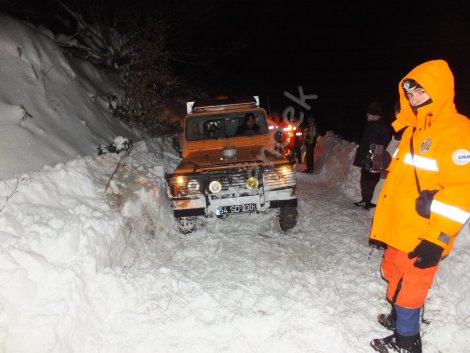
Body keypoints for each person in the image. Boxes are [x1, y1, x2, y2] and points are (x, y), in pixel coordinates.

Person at [369, 59, 470, 353]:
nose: (414, 99)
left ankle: (407, 340)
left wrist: (438, 238)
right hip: (402, 225)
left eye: (420, 93)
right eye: (410, 94)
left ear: (438, 90)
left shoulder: (455, 130)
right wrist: (389, 166)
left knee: (410, 286)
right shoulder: (414, 130)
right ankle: (399, 318)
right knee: (393, 272)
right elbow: (417, 175)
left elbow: (463, 188)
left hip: (425, 230)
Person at [353, 101, 392, 209]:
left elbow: (386, 140)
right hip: (368, 155)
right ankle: (364, 199)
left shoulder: (382, 126)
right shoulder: (371, 125)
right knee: (364, 177)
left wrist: (376, 148)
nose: (367, 115)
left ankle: (368, 201)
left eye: (369, 113)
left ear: (375, 114)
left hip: (377, 154)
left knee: (372, 179)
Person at [371, 100, 404, 205]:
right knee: (379, 185)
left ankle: (373, 204)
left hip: (394, 170)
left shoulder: (383, 127)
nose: (395, 114)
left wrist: (378, 162)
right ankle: (371, 203)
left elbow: (382, 144)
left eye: (397, 111)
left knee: (383, 186)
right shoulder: (396, 128)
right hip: (384, 161)